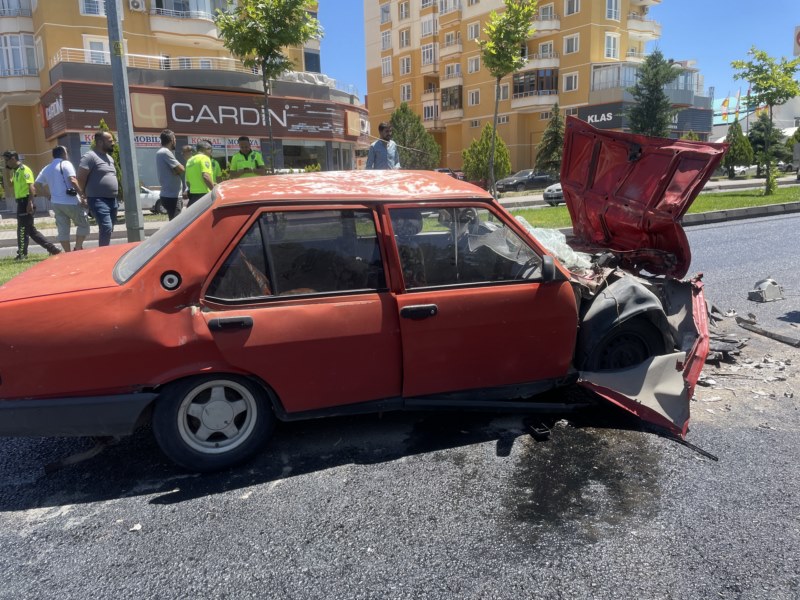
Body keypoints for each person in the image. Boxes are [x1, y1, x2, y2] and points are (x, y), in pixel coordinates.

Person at [3, 150, 61, 260]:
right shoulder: (15, 171)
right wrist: (6, 172)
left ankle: (22, 254)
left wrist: (30, 202)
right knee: (31, 231)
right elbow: (10, 185)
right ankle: (53, 249)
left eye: (7, 160)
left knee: (22, 229)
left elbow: (31, 186)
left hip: (26, 201)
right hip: (20, 202)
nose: (6, 163)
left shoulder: (24, 169)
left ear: (13, 159)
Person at [34, 146, 89, 252]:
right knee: (84, 225)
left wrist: (47, 195)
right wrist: (82, 195)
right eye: (67, 152)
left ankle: (67, 253)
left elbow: (36, 185)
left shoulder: (47, 168)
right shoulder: (66, 164)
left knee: (63, 230)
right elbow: (73, 180)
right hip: (71, 201)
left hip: (56, 203)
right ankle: (78, 248)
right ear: (64, 154)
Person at [77, 131, 118, 246]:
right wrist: (82, 195)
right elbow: (80, 177)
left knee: (109, 228)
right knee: (106, 227)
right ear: (100, 142)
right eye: (110, 141)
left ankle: (105, 249)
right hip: (98, 199)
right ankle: (103, 253)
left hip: (112, 200)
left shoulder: (109, 158)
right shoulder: (90, 157)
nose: (113, 143)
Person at [155, 129, 185, 220]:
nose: (175, 142)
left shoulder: (161, 152)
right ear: (172, 139)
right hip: (172, 196)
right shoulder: (165, 152)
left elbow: (176, 170)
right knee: (177, 225)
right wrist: (177, 170)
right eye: (175, 139)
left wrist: (176, 171)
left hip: (168, 194)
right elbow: (181, 169)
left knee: (173, 222)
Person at [184, 140, 214, 206]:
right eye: (210, 149)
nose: (211, 151)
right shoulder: (205, 158)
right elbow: (206, 176)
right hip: (204, 194)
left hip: (193, 195)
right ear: (204, 149)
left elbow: (187, 182)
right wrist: (214, 190)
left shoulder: (189, 160)